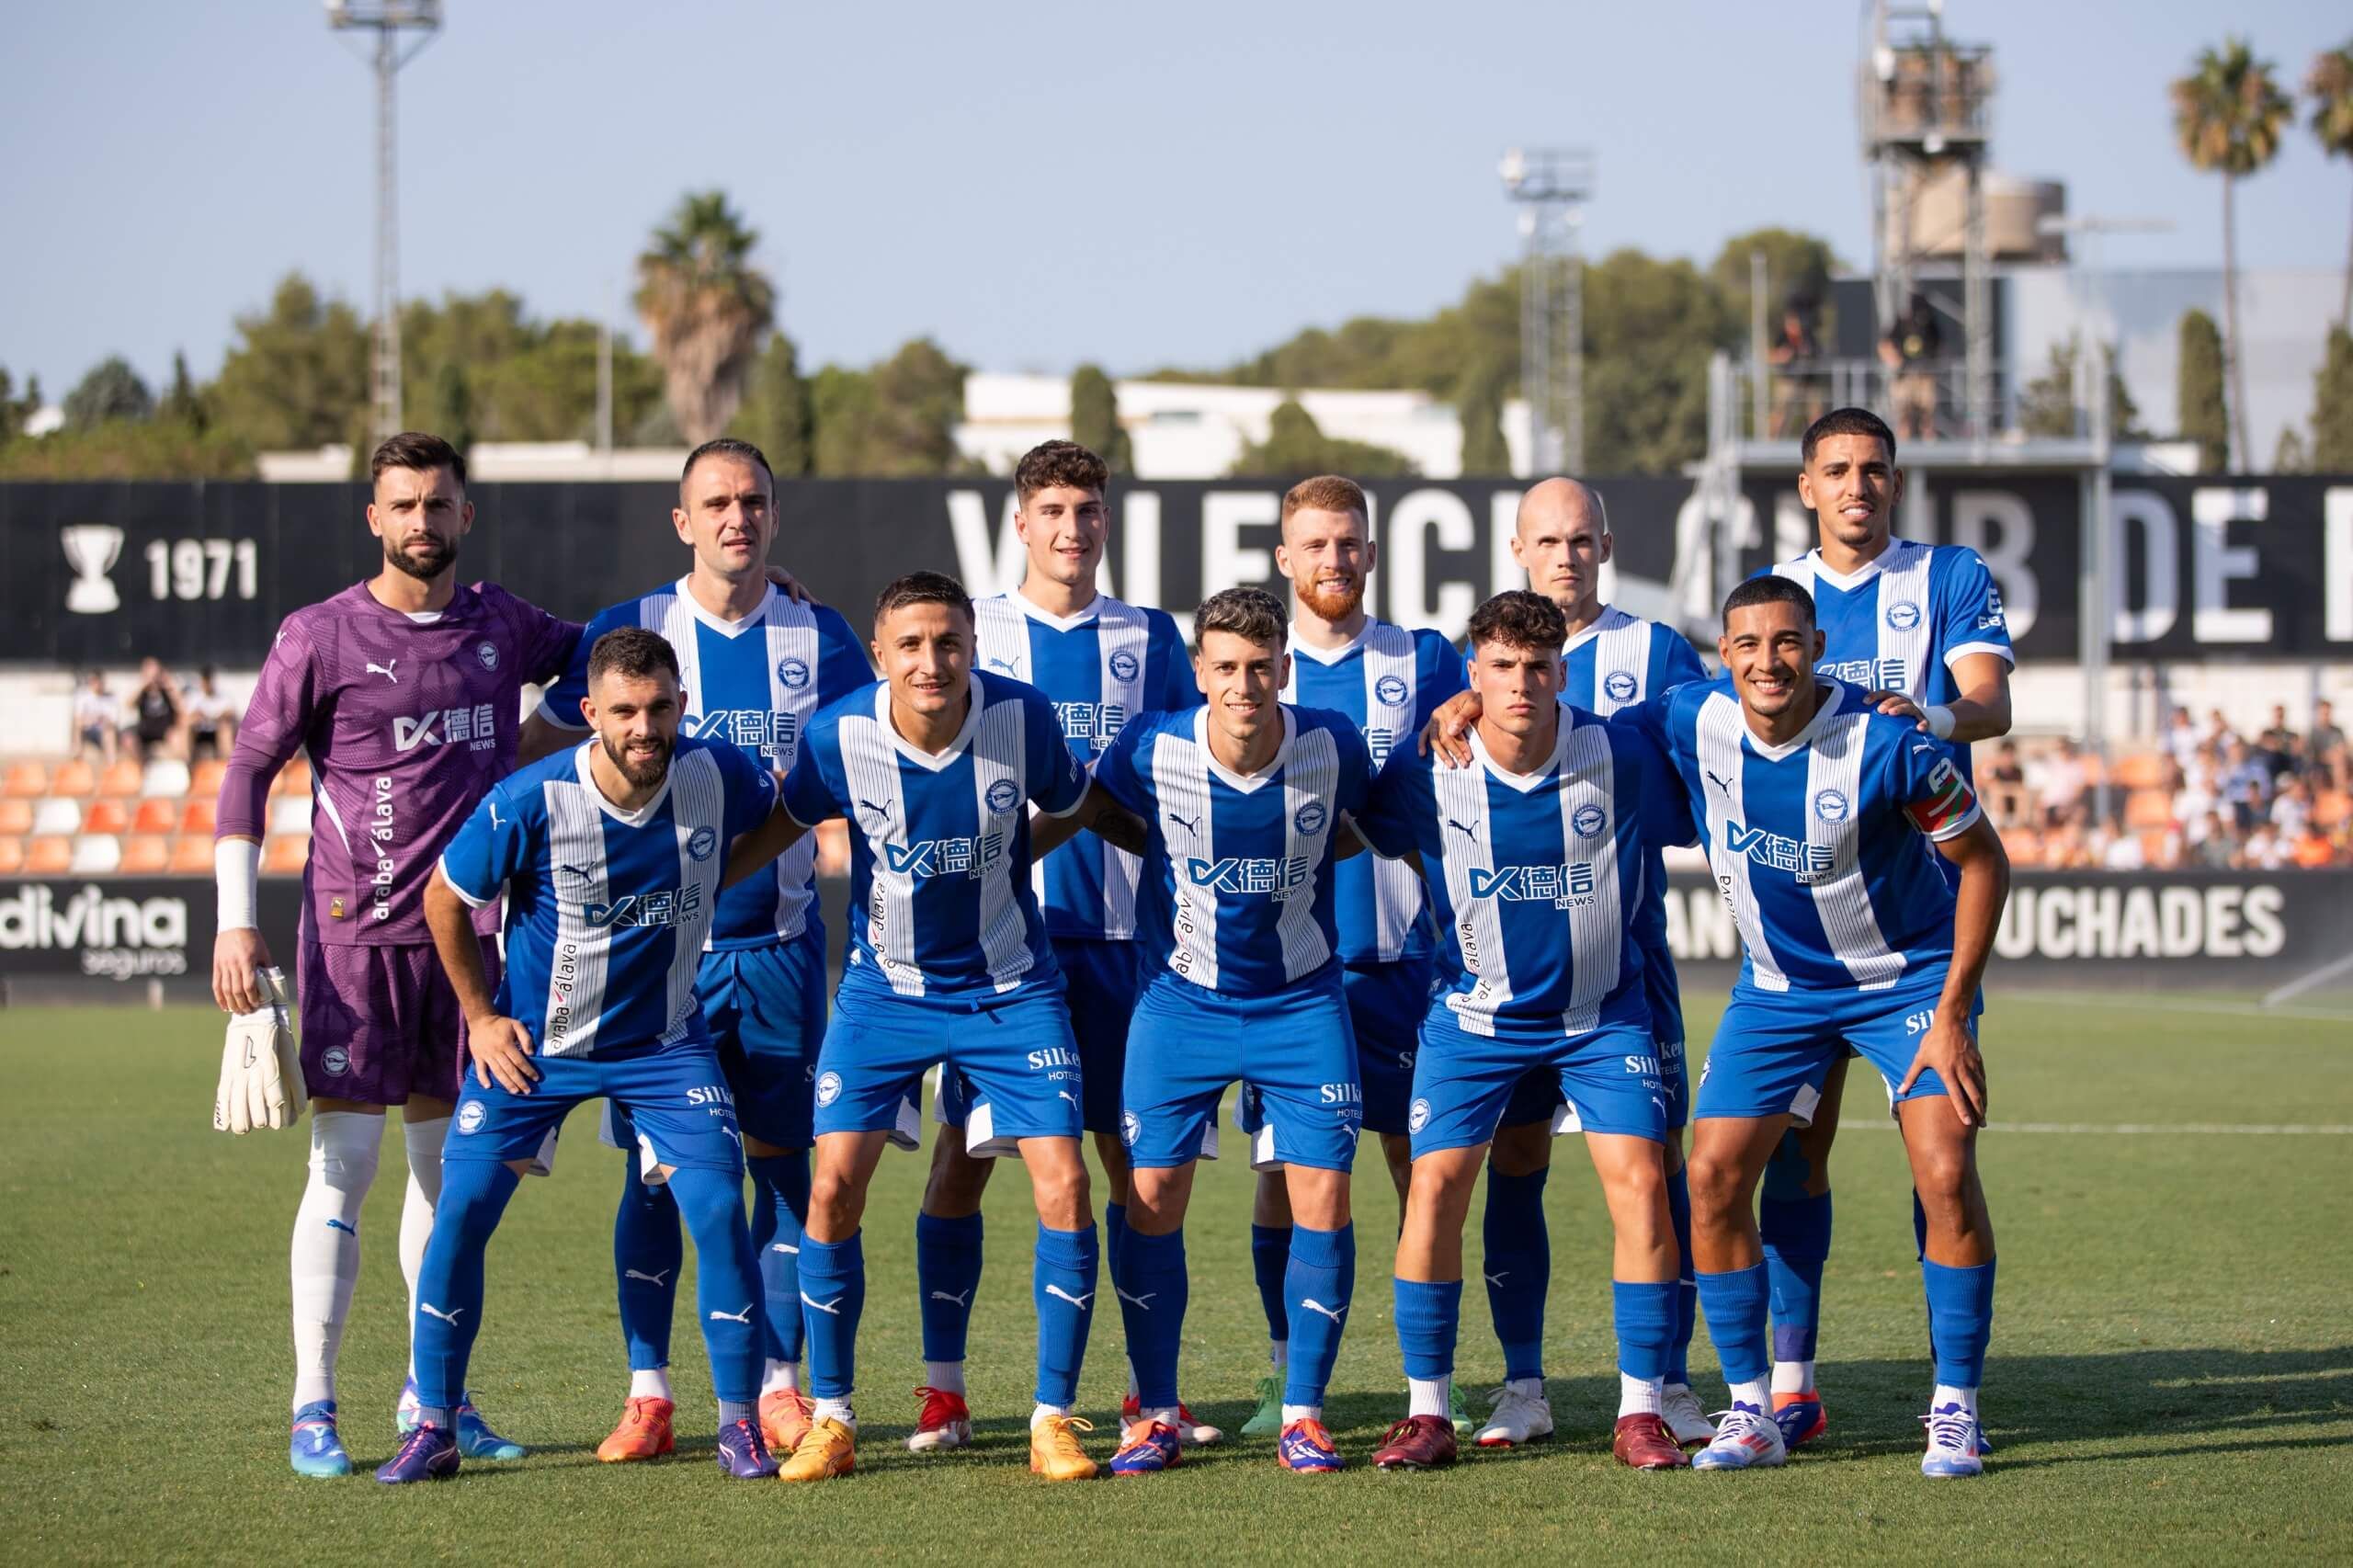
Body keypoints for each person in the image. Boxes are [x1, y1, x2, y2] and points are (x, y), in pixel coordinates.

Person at [211, 432, 580, 1477]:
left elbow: (613, 645)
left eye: (440, 503)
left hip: (467, 945)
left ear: (467, 515)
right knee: (344, 1167)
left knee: (447, 1177)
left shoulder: (502, 624)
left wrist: (738, 581)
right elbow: (247, 769)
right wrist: (236, 917)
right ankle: (312, 1404)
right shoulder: (321, 633)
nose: (423, 520)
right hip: (351, 938)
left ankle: (437, 1396)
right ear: (374, 517)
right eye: (404, 504)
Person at [516, 437, 872, 1465]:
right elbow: (544, 745)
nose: (735, 517)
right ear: (683, 520)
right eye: (714, 501)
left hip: (776, 947)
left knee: (778, 1170)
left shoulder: (820, 633)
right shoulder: (630, 628)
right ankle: (649, 1390)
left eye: (752, 500)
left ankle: (775, 1386)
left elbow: (885, 733)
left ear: (773, 514)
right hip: (649, 963)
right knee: (654, 1173)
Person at [387, 628, 792, 1483]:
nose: (645, 728)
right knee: (458, 1215)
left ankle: (735, 1424)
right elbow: (444, 901)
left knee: (718, 1210)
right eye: (624, 712)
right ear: (590, 714)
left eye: (659, 709)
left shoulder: (721, 773)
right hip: (538, 1051)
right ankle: (432, 1425)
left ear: (682, 704)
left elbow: (785, 815)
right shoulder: (531, 799)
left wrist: (712, 878)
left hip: (664, 1046)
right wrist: (481, 1018)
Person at [764, 571, 1141, 1484]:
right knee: (831, 1190)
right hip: (883, 992)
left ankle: (1053, 1416)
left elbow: (1079, 798)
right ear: (881, 654)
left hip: (1013, 987)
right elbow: (780, 818)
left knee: (1062, 1182)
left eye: (948, 642)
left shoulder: (1023, 716)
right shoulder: (838, 733)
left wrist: (1038, 845)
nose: (930, 661)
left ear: (973, 645)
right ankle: (837, 1414)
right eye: (910, 645)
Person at [1643, 575, 2008, 1477]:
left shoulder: (1887, 746)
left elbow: (1984, 863)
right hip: (1779, 989)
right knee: (1714, 1174)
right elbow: (1568, 725)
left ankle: (1955, 1406)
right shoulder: (1688, 716)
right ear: (1724, 654)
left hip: (1906, 982)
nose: (1767, 661)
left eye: (1786, 642)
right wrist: (1464, 702)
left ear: (1813, 645)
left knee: (1944, 1171)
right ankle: (1751, 1407)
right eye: (1748, 644)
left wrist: (1955, 1011)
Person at [914, 440, 1210, 1452]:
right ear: (1019, 523)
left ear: (1106, 522)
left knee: (1140, 1169)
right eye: (1052, 509)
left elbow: (1193, 759)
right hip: (1005, 954)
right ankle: (944, 1389)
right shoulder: (974, 632)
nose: (1071, 528)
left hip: (1135, 944)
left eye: (1087, 509)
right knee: (965, 1157)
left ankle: (1145, 1392)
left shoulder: (1151, 637)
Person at [1353, 590, 1691, 1474]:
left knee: (1643, 1181)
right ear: (1473, 676)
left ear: (1563, 674)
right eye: (1499, 668)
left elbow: (1721, 730)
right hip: (1473, 1018)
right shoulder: (1426, 769)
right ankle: (1428, 1410)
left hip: (1600, 1013)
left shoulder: (1621, 749)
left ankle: (1641, 1410)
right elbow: (1344, 815)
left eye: (1537, 668)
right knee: (1434, 1191)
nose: (1519, 685)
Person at [1418, 477, 1714, 1449]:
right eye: (1548, 539)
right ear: (1518, 548)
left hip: (1621, 964)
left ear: (1606, 545)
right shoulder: (1470, 691)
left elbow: (1708, 752)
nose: (1566, 554)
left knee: (1650, 1168)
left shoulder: (1656, 653)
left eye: (1581, 538)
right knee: (1514, 1162)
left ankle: (1662, 1382)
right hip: (1495, 982)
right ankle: (1521, 1380)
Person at [1751, 405, 2014, 1452]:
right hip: (1804, 937)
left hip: (1916, 933)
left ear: (1892, 482)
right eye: (1837, 470)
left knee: (1941, 1165)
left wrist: (1929, 717)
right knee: (1792, 1155)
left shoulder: (1946, 575)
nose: (1858, 485)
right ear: (1806, 485)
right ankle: (1790, 1380)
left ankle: (1955, 1400)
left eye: (1875, 469)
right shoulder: (1776, 597)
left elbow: (1987, 699)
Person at [1073, 586, 1374, 1477]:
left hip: (1302, 1004)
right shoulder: (1152, 746)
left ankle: (1304, 1413)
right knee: (1150, 1198)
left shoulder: (1331, 743)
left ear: (1283, 666)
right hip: (1180, 1006)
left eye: (1259, 666)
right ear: (1198, 673)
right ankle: (1154, 1408)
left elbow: (1371, 818)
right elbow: (1093, 805)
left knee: (1324, 1200)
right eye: (1225, 668)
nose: (1243, 684)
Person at [1241, 473, 1467, 1438]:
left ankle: (1433, 1383)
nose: (1334, 559)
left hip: (1403, 960)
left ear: (1370, 553)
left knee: (1421, 1167)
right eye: (1315, 544)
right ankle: (1289, 1376)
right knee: (1279, 1173)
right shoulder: (1256, 668)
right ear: (1285, 558)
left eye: (1349, 543)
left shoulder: (1422, 658)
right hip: (1286, 971)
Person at [1878, 293, 1943, 442]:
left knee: (1927, 411)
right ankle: (1902, 442)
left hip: (1924, 374)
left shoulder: (1930, 323)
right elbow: (1885, 344)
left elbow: (1938, 345)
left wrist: (1931, 362)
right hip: (1904, 375)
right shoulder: (1901, 323)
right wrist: (1894, 361)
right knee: (1903, 412)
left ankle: (1929, 441)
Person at [126, 656, 183, 762]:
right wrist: (143, 685)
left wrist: (169, 686)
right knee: (129, 739)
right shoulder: (142, 692)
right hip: (145, 730)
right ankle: (140, 768)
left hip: (164, 730)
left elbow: (181, 708)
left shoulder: (166, 691)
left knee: (177, 737)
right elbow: (128, 705)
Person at [185, 665, 238, 760]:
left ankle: (225, 761)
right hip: (200, 731)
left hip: (216, 730)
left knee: (225, 729)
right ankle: (189, 761)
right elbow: (187, 718)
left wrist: (218, 717)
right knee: (188, 727)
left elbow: (230, 713)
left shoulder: (223, 697)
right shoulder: (194, 697)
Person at [73, 670, 119, 765]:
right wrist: (93, 720)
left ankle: (112, 765)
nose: (96, 684)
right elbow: (78, 720)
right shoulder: (83, 696)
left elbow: (113, 722)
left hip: (103, 732)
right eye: (94, 681)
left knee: (110, 733)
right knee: (78, 729)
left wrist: (100, 720)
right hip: (88, 731)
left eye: (99, 681)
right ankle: (77, 762)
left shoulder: (110, 698)